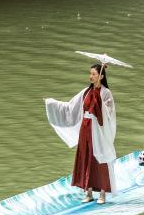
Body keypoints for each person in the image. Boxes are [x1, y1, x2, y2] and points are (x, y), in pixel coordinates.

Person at [44, 64, 117, 204]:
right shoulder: (86, 92)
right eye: (90, 74)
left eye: (94, 74)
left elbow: (108, 113)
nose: (91, 76)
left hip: (98, 129)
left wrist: (98, 99)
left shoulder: (106, 93)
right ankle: (88, 192)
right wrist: (51, 103)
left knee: (100, 159)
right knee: (86, 158)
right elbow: (70, 106)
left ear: (101, 76)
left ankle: (102, 194)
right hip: (85, 128)